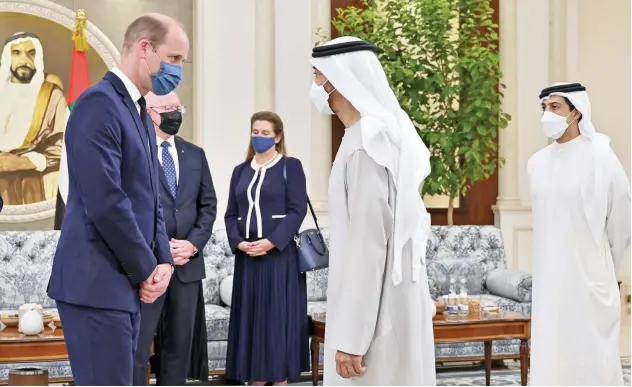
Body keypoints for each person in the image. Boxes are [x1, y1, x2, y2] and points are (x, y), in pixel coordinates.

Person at [47, 13, 189, 385]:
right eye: (174, 59)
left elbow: (151, 198)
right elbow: (107, 202)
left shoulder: (140, 110)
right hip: (97, 283)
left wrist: (162, 262)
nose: (178, 70)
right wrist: (145, 269)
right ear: (145, 48)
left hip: (122, 284)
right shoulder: (97, 105)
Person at [309, 37, 436, 385]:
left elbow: (369, 246)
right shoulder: (365, 137)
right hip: (384, 307)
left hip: (378, 318)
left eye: (318, 75)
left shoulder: (369, 146)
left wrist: (352, 338)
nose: (315, 86)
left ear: (338, 79)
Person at [528, 82, 630, 385]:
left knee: (592, 354)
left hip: (591, 277)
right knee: (553, 350)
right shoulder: (537, 163)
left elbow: (622, 218)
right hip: (550, 280)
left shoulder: (601, 156)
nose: (548, 113)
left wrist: (606, 263)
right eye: (544, 107)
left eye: (555, 106)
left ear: (576, 113)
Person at [132, 91, 216, 386]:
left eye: (177, 107)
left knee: (178, 348)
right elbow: (129, 207)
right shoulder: (136, 152)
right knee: (138, 349)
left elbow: (208, 206)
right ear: (149, 112)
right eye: (166, 108)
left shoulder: (195, 154)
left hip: (187, 267)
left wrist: (192, 244)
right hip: (148, 268)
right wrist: (158, 249)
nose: (174, 113)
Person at [224, 111, 310, 385]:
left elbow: (298, 211)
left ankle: (280, 381)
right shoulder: (240, 170)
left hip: (279, 259)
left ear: (278, 137)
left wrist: (271, 242)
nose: (259, 137)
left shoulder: (290, 166)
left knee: (276, 324)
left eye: (265, 133)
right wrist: (240, 242)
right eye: (255, 132)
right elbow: (229, 214)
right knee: (251, 326)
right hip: (248, 260)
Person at [0, 32, 68, 205]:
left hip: (31, 181)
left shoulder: (52, 95)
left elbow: (65, 144)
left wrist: (22, 162)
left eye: (31, 53)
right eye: (17, 53)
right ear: (8, 56)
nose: (24, 60)